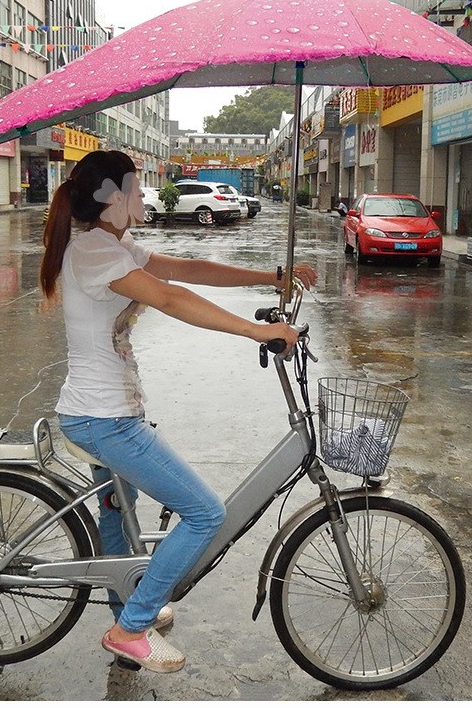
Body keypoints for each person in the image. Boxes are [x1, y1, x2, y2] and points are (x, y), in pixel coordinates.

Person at [40, 150, 316, 674]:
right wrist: (257, 332)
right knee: (205, 514)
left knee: (119, 513)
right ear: (112, 198)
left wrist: (271, 276)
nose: (144, 196)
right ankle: (130, 627)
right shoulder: (96, 253)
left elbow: (189, 268)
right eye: (137, 188)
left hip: (105, 411)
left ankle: (128, 607)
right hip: (104, 419)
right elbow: (169, 297)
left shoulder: (111, 244)